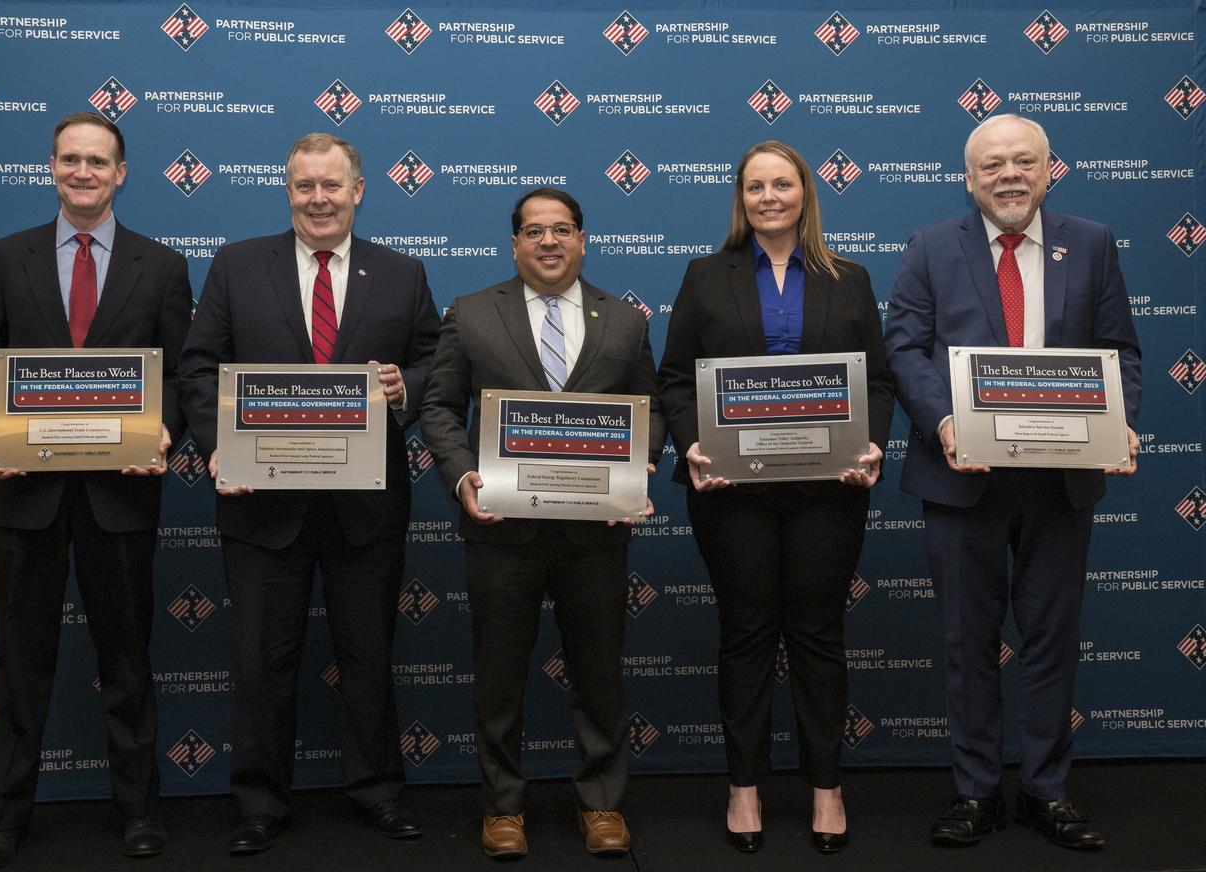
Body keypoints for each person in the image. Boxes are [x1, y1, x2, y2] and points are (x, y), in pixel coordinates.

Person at [882, 114, 1140, 851]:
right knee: (968, 642)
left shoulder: (1090, 242)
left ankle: (1046, 790)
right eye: (992, 164)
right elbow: (903, 347)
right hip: (963, 476)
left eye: (1024, 160)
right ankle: (976, 790)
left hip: (1061, 480)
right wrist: (943, 424)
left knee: (1054, 638)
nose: (1009, 175)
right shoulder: (933, 246)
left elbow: (1120, 350)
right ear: (969, 178)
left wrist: (1119, 420)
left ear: (1050, 169)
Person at [177, 132, 439, 854]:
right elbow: (199, 370)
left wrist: (405, 389)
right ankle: (259, 802)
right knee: (263, 662)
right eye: (304, 186)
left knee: (368, 657)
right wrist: (219, 443)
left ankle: (379, 791)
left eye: (332, 185)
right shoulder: (234, 267)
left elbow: (434, 363)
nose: (318, 199)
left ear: (359, 190)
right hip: (263, 506)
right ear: (286, 190)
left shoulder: (403, 272)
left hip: (367, 507)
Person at [0, 112, 192, 868]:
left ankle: (139, 811)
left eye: (98, 161)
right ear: (51, 168)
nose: (83, 172)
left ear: (122, 173)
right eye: (70, 160)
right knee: (21, 663)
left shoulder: (162, 265)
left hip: (120, 495)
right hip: (27, 494)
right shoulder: (6, 257)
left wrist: (166, 434)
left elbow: (182, 378)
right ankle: (3, 820)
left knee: (126, 659)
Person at [657, 141, 893, 856]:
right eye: (755, 186)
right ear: (741, 197)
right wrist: (694, 443)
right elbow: (673, 379)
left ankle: (827, 787)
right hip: (733, 492)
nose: (768, 197)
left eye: (781, 184)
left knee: (819, 636)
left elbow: (876, 382)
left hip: (829, 489)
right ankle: (744, 788)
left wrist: (873, 442)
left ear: (804, 193)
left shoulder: (848, 277)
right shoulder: (705, 276)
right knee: (748, 634)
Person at [419, 188, 664, 860]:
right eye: (534, 231)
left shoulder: (625, 320)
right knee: (498, 677)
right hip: (502, 531)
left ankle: (602, 804)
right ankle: (503, 808)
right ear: (515, 244)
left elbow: (652, 406)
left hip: (595, 534)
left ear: (583, 240)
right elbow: (439, 408)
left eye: (561, 229)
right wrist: (466, 477)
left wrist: (639, 463)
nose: (549, 242)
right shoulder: (469, 315)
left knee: (599, 674)